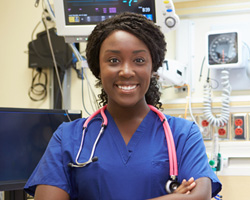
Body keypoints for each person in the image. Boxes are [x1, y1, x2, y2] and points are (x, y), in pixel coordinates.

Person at [24, 12, 222, 200]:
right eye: (113, 60)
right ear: (97, 68)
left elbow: (200, 196)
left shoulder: (182, 134)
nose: (126, 71)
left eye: (139, 60)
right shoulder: (68, 137)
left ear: (152, 67)